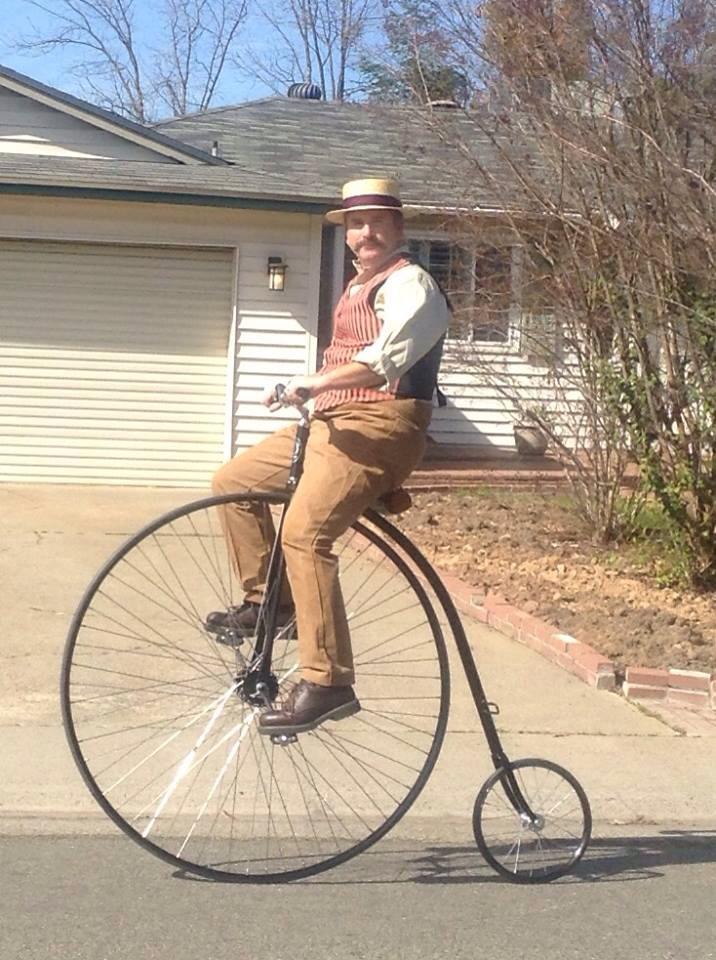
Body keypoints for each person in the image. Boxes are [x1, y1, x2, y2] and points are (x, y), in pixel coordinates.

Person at [210, 176, 450, 735]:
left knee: (305, 532)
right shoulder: (358, 285)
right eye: (355, 224)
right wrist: (308, 390)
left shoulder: (411, 285)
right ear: (345, 234)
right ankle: (274, 604)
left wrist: (313, 382)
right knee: (234, 481)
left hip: (383, 426)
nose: (365, 233)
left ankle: (329, 680)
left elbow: (382, 362)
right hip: (332, 420)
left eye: (376, 222)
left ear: (398, 228)